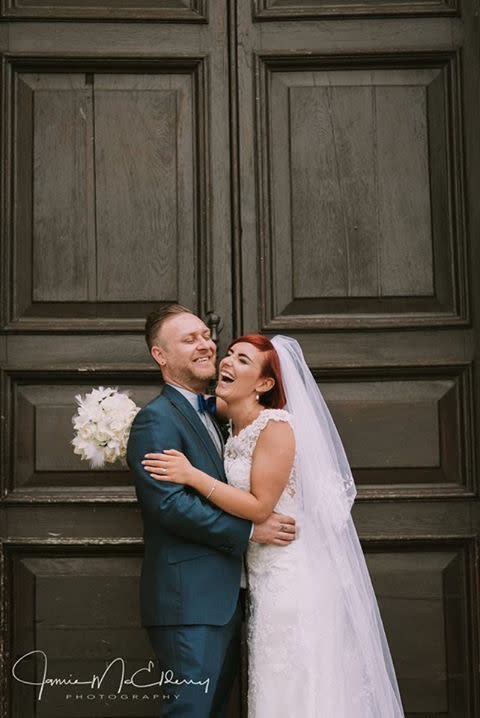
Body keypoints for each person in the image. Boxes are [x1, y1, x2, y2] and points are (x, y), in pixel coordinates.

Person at [143, 333, 405, 717]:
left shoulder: (276, 426)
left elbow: (261, 506)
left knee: (299, 686)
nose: (228, 362)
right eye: (230, 354)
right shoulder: (232, 418)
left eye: (243, 361)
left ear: (265, 384)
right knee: (273, 687)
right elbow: (184, 407)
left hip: (293, 577)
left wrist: (193, 476)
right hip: (262, 579)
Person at [126, 307, 296, 718]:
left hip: (228, 599)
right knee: (189, 710)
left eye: (205, 335)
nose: (205, 345)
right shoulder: (155, 420)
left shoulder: (222, 413)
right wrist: (250, 532)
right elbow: (169, 506)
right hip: (188, 602)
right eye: (189, 340)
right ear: (160, 356)